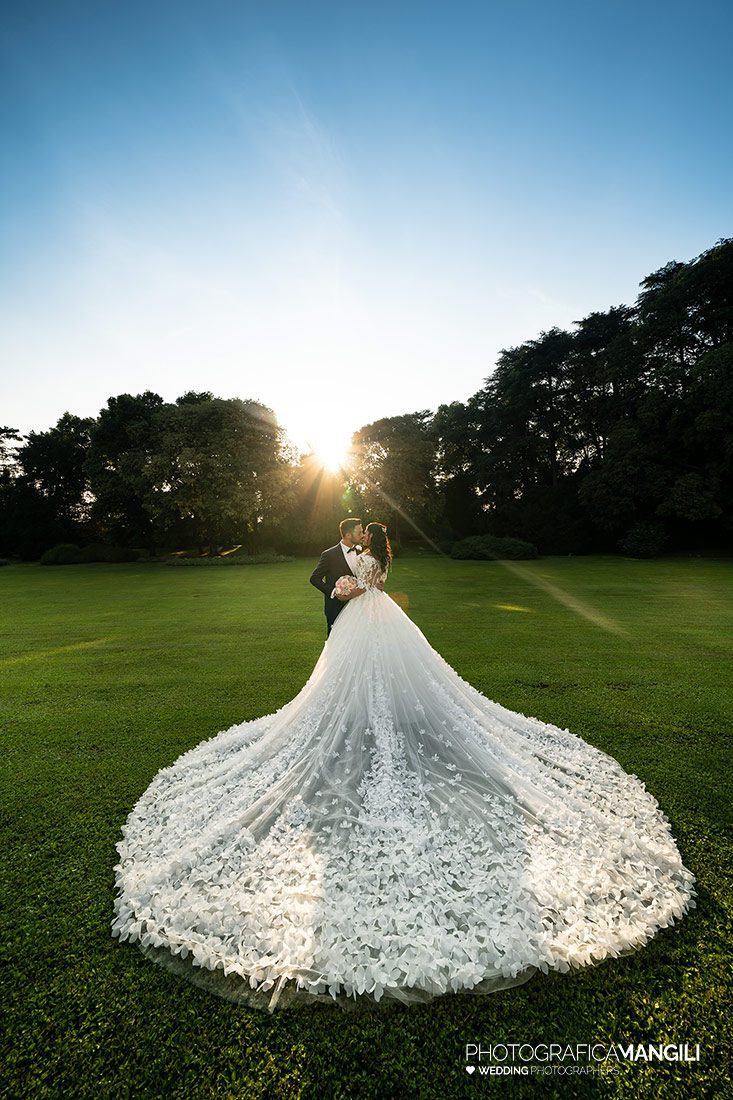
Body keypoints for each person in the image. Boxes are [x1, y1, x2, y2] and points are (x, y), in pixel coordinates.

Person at [111, 521, 696, 1014]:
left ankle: (390, 719)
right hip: (346, 621)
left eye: (361, 536)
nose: (357, 539)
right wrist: (337, 588)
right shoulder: (331, 558)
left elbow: (377, 582)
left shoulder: (375, 559)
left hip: (379, 617)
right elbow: (321, 580)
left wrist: (362, 579)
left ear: (365, 538)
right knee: (342, 682)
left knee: (391, 674)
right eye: (353, 536)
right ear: (344, 536)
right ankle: (361, 719)